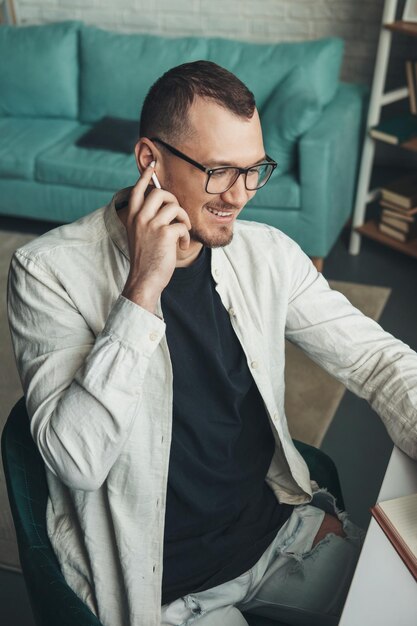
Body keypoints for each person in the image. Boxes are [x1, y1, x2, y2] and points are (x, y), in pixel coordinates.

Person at [7, 60, 417, 626]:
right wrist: (142, 289)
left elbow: (376, 360)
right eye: (220, 171)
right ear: (150, 160)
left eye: (255, 170)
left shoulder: (266, 253)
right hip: (168, 589)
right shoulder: (46, 272)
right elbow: (75, 459)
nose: (241, 195)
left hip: (279, 538)